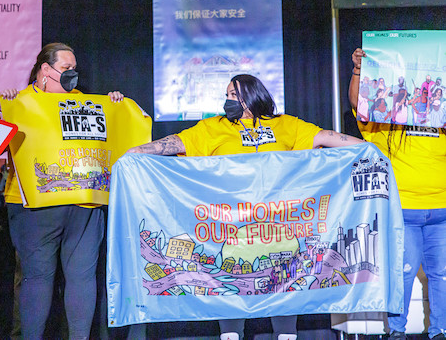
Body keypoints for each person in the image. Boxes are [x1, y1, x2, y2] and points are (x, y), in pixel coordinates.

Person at [128, 74, 365, 340]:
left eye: (233, 95)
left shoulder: (285, 125)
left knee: (283, 279)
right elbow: (175, 143)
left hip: (279, 225)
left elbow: (325, 137)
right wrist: (134, 153)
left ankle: (286, 335)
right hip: (230, 226)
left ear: (252, 96)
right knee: (229, 282)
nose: (227, 101)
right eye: (227, 95)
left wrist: (369, 149)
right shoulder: (213, 127)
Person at [0, 42, 124, 340]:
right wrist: (5, 113)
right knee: (38, 278)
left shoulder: (87, 101)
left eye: (74, 69)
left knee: (81, 277)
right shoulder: (20, 101)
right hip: (34, 206)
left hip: (82, 205)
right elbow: (1, 151)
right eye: (65, 68)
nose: (73, 75)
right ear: (45, 70)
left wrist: (116, 106)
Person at [350, 48, 446, 340]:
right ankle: (396, 332)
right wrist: (357, 71)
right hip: (404, 213)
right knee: (402, 274)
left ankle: (440, 330)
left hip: (442, 214)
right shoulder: (385, 123)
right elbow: (358, 102)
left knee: (442, 276)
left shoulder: (441, 120)